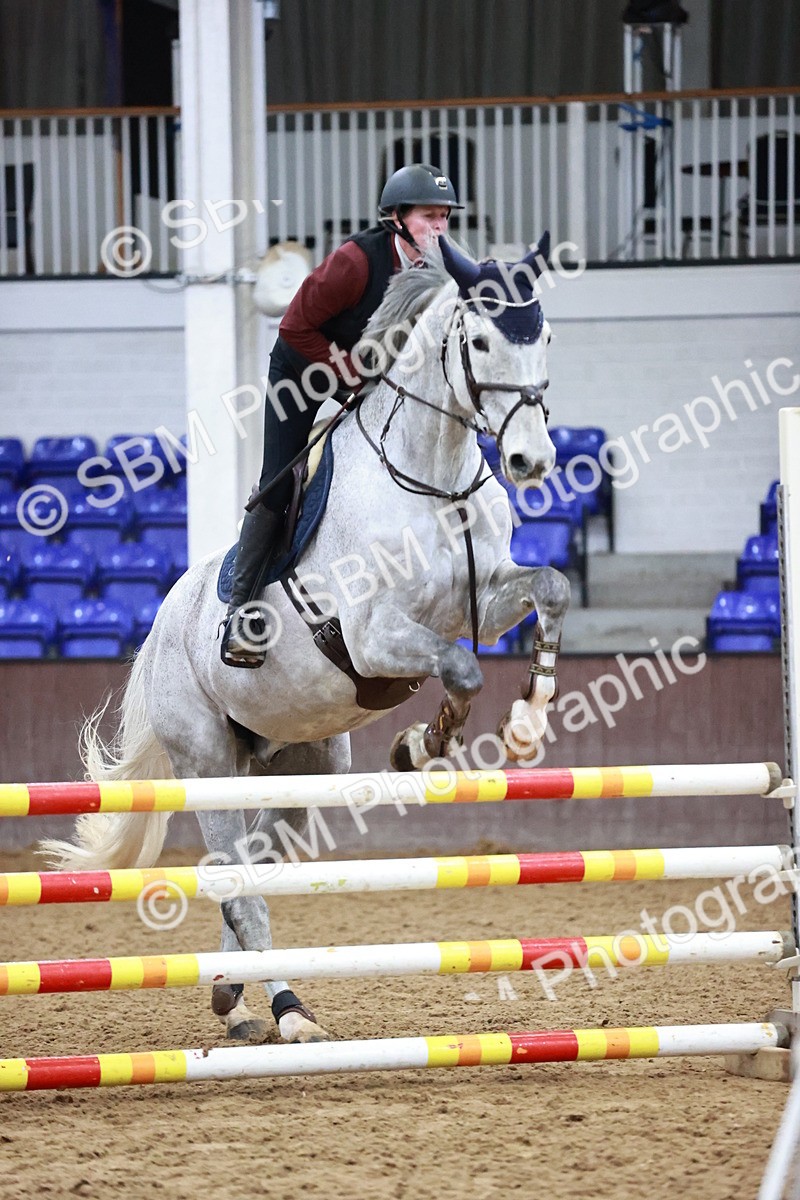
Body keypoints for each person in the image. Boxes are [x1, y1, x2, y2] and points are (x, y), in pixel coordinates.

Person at [220, 163, 464, 667]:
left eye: (444, 217)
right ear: (396, 218)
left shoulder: (440, 268)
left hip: (365, 376)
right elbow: (294, 326)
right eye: (428, 217)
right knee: (282, 479)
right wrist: (346, 372)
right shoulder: (355, 262)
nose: (439, 227)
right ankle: (240, 615)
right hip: (302, 369)